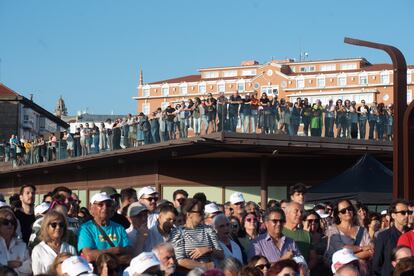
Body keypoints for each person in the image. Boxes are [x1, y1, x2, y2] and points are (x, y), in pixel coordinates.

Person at [77, 192, 131, 264]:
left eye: (108, 205)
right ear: (91, 207)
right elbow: (89, 256)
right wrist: (116, 250)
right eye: (100, 204)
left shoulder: (119, 228)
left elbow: (129, 255)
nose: (105, 207)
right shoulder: (85, 228)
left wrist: (100, 254)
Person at [170, 198, 224, 270]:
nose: (203, 214)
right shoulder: (177, 232)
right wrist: (205, 266)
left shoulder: (208, 229)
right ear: (189, 214)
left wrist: (209, 249)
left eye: (203, 212)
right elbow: (180, 260)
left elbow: (221, 254)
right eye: (200, 212)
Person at [325, 200, 373, 274]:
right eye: (343, 211)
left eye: (349, 208)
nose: (347, 211)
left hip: (362, 272)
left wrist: (348, 258)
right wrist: (362, 249)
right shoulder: (333, 230)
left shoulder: (363, 230)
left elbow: (371, 251)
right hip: (342, 272)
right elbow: (341, 249)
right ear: (338, 215)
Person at [31, 210, 77, 275]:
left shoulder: (70, 249)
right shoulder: (38, 250)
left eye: (61, 225)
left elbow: (76, 271)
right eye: (54, 225)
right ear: (46, 227)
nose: (58, 227)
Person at [373, 199, 410, 276]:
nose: (407, 215)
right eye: (403, 213)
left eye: (408, 212)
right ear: (393, 215)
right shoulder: (383, 236)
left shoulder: (411, 234)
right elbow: (376, 265)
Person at [0, 208, 32, 276]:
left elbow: (29, 268)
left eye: (12, 222)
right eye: (5, 222)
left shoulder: (22, 245)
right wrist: (8, 264)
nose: (10, 225)